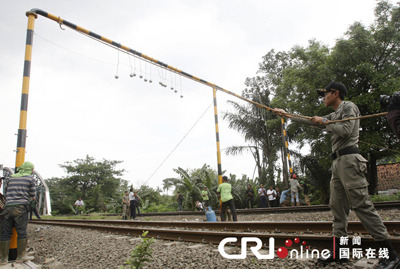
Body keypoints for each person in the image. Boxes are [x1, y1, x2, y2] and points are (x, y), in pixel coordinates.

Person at [273, 81, 399, 268]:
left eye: (325, 94)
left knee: (361, 205)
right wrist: (287, 114)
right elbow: (311, 120)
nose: (323, 98)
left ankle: (390, 255)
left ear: (336, 93)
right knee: (337, 208)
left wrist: (325, 122)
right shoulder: (335, 114)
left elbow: (346, 131)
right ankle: (339, 252)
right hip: (338, 163)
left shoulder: (349, 107)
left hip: (350, 160)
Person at [0, 161, 36, 264]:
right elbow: (33, 194)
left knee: (5, 233)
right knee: (21, 232)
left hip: (7, 207)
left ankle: (3, 259)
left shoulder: (11, 178)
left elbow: (6, 191)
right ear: (30, 169)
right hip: (20, 207)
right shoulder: (30, 178)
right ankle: (21, 256)